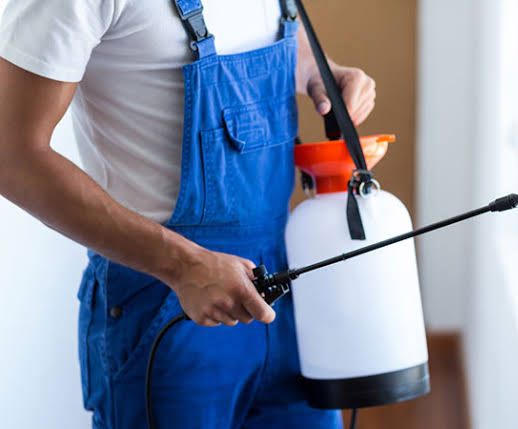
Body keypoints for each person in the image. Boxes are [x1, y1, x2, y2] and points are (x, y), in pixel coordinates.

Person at [0, 0, 376, 428]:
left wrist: (318, 72)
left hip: (286, 292)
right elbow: (12, 156)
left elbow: (266, 29)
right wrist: (183, 265)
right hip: (166, 303)